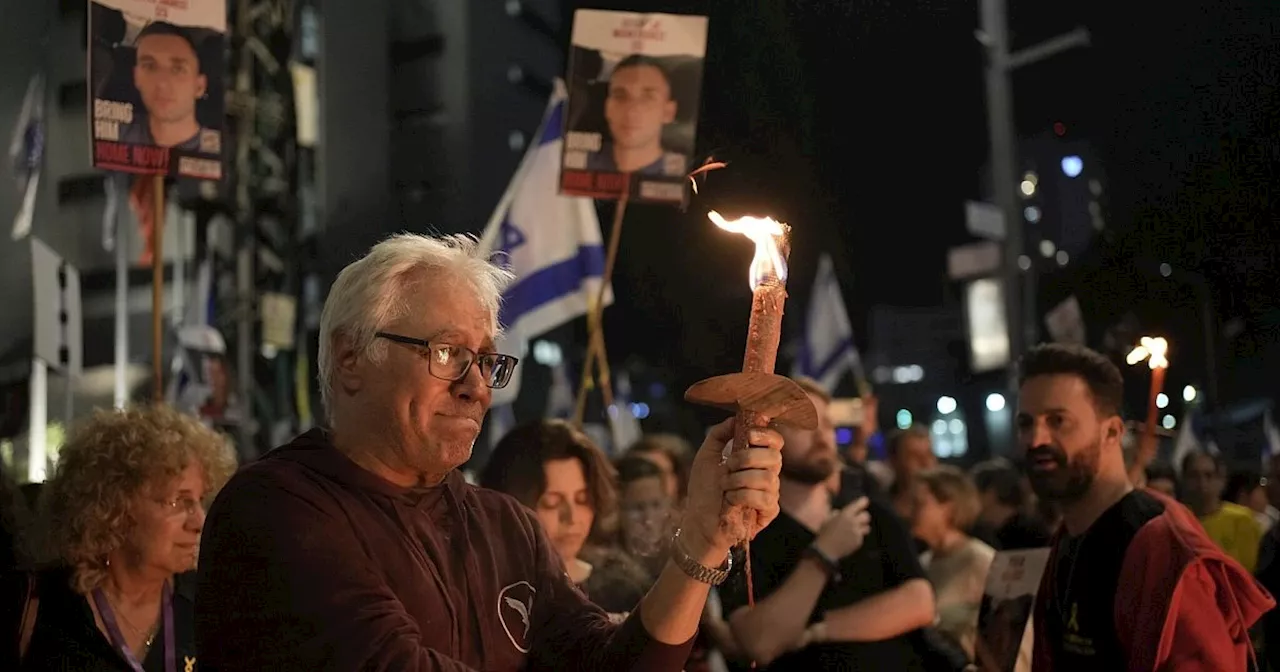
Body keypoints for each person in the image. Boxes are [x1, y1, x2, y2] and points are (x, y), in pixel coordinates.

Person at [195, 233, 785, 671]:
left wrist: (704, 538)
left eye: (486, 360)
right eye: (447, 353)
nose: (477, 386)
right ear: (352, 359)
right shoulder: (276, 510)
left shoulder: (504, 526)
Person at [1017, 344, 1273, 671]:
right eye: (1026, 423)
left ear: (1111, 431)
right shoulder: (1069, 536)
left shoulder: (1160, 548)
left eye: (1058, 421)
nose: (1036, 439)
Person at [722, 377, 935, 670]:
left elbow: (920, 602)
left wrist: (815, 629)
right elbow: (760, 642)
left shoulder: (869, 511)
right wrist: (822, 555)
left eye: (830, 427)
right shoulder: (744, 533)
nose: (823, 439)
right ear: (766, 435)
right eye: (806, 425)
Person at [9, 405, 235, 671]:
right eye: (179, 501)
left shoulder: (211, 604)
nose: (200, 522)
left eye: (199, 501)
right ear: (114, 506)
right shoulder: (37, 605)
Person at [478, 419, 648, 614]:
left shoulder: (622, 587)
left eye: (582, 499)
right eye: (552, 503)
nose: (572, 518)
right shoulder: (485, 588)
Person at [910, 465, 997, 661]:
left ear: (947, 507)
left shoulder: (980, 561)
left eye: (920, 504)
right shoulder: (922, 562)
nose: (912, 512)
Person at [586, 55, 686, 176]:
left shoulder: (684, 177)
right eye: (620, 96)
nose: (631, 111)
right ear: (607, 108)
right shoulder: (579, 162)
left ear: (668, 112)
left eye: (647, 98)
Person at [119, 22, 210, 151]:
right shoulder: (118, 133)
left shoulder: (217, 151)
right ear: (136, 77)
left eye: (178, 69)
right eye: (150, 67)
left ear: (199, 86)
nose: (162, 83)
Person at [1180, 451, 1264, 572]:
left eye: (1208, 475)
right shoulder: (1176, 519)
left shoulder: (1242, 519)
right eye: (1194, 475)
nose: (1202, 483)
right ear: (1184, 480)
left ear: (1221, 481)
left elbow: (1247, 571)